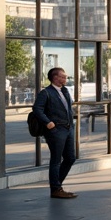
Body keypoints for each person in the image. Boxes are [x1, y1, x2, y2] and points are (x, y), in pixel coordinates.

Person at [31, 67, 77, 199]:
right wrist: (48, 123)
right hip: (56, 131)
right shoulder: (46, 93)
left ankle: (57, 186)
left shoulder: (65, 91)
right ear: (56, 78)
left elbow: (68, 108)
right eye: (63, 76)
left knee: (70, 158)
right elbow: (37, 109)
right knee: (56, 160)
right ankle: (56, 189)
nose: (65, 78)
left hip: (68, 129)